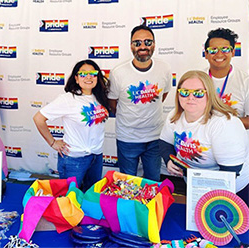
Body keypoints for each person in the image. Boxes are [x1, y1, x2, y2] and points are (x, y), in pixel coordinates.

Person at [159, 70, 249, 204]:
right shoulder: (175, 115)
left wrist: (204, 191)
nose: (190, 97)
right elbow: (165, 142)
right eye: (184, 92)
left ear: (210, 94)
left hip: (232, 188)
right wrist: (168, 160)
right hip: (195, 184)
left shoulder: (224, 124)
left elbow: (230, 171)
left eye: (198, 93)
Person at [33, 59, 110, 191]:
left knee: (90, 197)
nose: (89, 77)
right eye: (83, 74)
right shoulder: (68, 99)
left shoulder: (100, 97)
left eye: (92, 73)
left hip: (96, 157)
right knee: (69, 199)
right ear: (76, 78)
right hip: (74, 160)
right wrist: (52, 143)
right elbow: (38, 118)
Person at [108, 24, 171, 182]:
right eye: (137, 43)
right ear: (131, 46)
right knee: (127, 183)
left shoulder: (164, 68)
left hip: (155, 137)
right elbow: (113, 103)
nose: (143, 46)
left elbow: (162, 96)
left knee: (153, 181)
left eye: (148, 42)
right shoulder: (118, 72)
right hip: (128, 138)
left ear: (154, 44)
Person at [204, 28, 249, 129]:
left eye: (225, 49)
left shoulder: (246, 81)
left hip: (233, 141)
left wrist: (222, 125)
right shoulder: (197, 79)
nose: (219, 54)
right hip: (203, 141)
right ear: (206, 54)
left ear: (233, 52)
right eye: (213, 50)